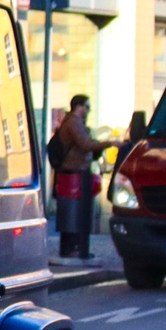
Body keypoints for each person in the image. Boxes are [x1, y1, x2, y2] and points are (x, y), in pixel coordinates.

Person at [49, 94, 112, 260]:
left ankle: (74, 247)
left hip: (76, 173)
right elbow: (85, 144)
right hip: (72, 174)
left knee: (76, 212)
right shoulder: (73, 123)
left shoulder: (76, 123)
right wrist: (109, 143)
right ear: (79, 107)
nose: (89, 111)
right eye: (87, 107)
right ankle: (71, 248)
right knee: (73, 212)